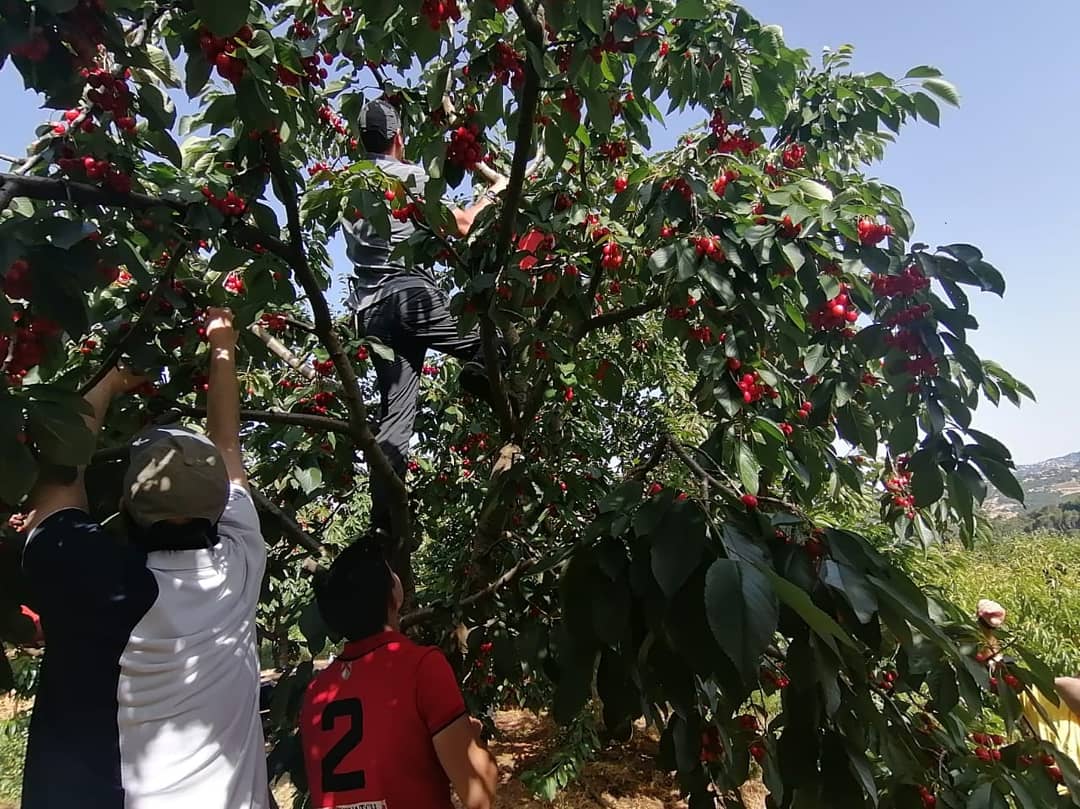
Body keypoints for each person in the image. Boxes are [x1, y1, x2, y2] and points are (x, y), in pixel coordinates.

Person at [20, 307, 270, 809]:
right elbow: (228, 447)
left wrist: (108, 382)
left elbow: (60, 476)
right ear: (220, 508)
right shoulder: (240, 564)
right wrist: (223, 344)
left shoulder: (94, 579)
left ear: (127, 507)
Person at [344, 98, 508, 542]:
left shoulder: (345, 186)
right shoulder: (407, 175)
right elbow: (460, 225)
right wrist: (491, 194)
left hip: (370, 314)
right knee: (490, 343)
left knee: (395, 417)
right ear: (398, 138)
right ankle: (478, 377)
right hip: (409, 297)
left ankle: (387, 523)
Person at [300, 539, 498, 809]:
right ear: (390, 596)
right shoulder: (421, 668)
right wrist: (474, 739)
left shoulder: (316, 693)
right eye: (390, 572)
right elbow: (479, 796)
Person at [976, 599, 1080, 774]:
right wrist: (987, 627)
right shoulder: (1041, 696)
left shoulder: (1046, 690)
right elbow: (997, 668)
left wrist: (1039, 680)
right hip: (1049, 793)